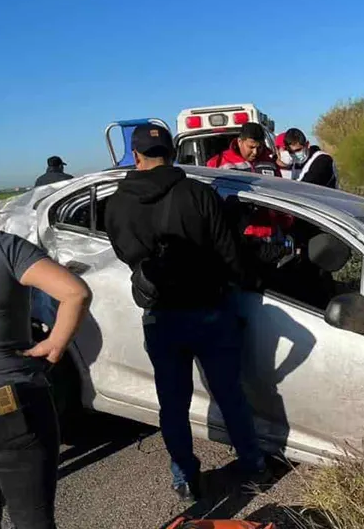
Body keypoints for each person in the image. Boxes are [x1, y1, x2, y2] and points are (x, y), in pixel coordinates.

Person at [103, 124, 266, 502]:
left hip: (161, 315)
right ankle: (253, 462)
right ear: (173, 155)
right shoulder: (199, 194)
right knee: (229, 392)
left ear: (136, 156)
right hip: (210, 311)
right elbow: (229, 255)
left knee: (172, 403)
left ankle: (185, 477)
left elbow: (124, 254)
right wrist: (245, 279)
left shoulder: (117, 202)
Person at [0, 162, 92, 528]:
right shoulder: (3, 247)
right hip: (8, 398)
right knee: (31, 516)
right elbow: (75, 293)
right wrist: (53, 345)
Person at [206, 122, 280, 177]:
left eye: (259, 147)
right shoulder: (217, 163)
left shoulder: (270, 162)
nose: (255, 152)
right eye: (251, 147)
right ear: (239, 142)